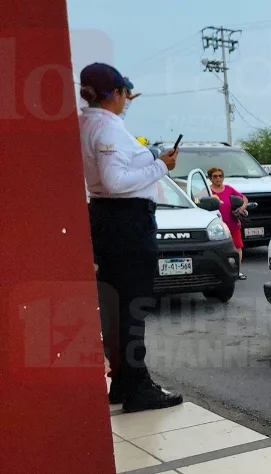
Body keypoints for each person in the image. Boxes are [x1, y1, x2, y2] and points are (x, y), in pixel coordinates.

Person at [79, 62, 184, 412]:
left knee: (118, 306)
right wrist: (161, 166)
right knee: (132, 305)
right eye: (125, 93)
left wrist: (150, 157)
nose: (128, 100)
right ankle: (137, 386)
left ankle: (124, 381)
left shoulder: (89, 122)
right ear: (117, 93)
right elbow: (115, 182)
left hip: (108, 219)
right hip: (126, 222)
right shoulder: (107, 128)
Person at [207, 167, 247, 280]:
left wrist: (242, 208)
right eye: (215, 176)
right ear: (210, 178)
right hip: (216, 227)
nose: (218, 178)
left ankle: (237, 271)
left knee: (238, 247)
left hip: (232, 223)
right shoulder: (207, 191)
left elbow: (244, 198)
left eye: (220, 176)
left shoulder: (229, 189)